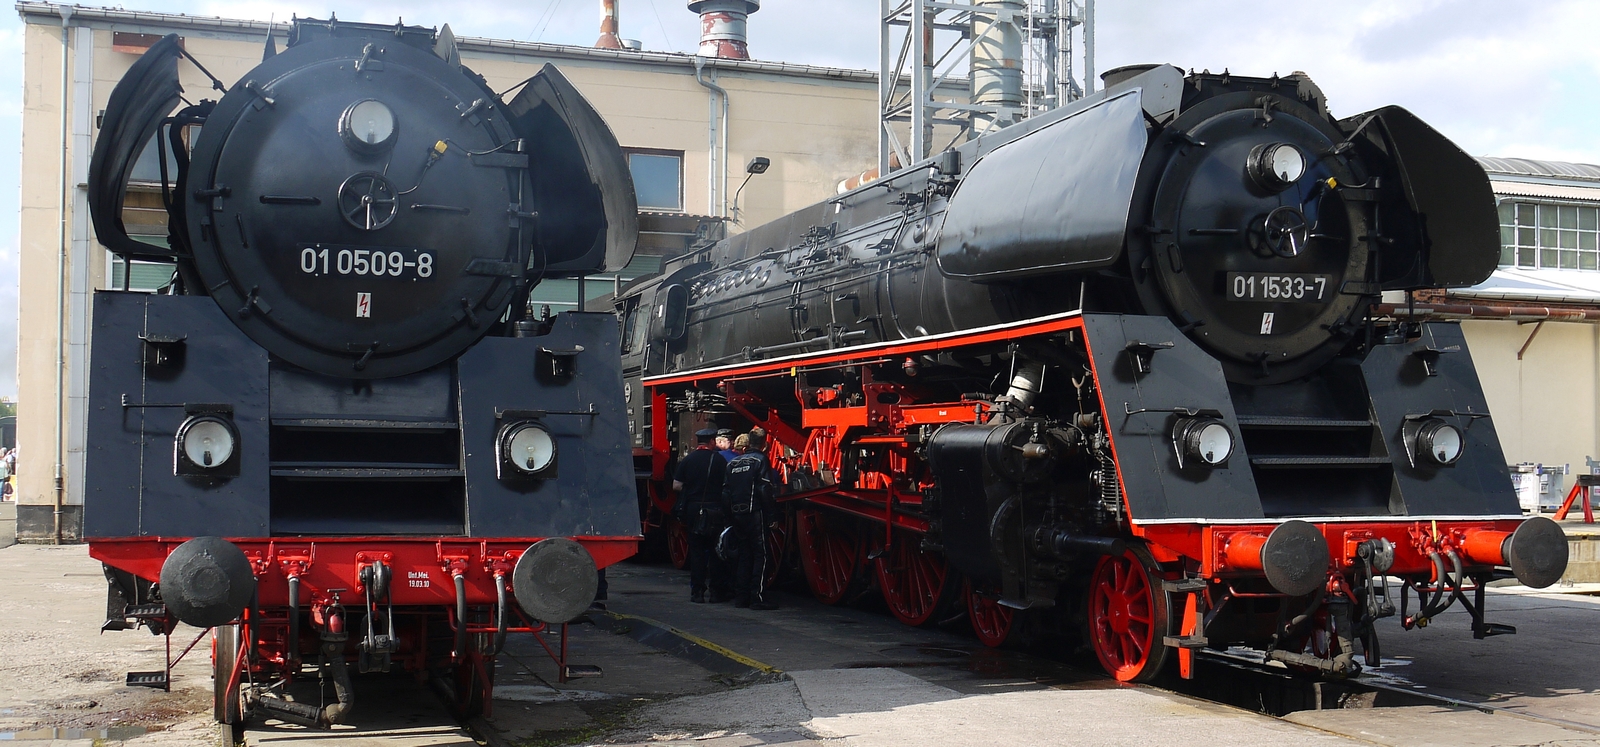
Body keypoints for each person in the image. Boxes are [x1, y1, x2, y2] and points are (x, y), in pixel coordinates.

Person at [721, 430, 780, 609]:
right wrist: (772, 516)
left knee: (744, 555)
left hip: (737, 514)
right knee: (760, 555)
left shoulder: (733, 463)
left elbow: (725, 493)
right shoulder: (760, 461)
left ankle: (741, 597)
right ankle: (757, 597)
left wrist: (728, 516)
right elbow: (764, 489)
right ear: (764, 444)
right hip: (755, 513)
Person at [673, 428, 730, 603]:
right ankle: (715, 592)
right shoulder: (719, 460)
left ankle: (697, 592)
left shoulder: (688, 460)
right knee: (716, 551)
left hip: (693, 509)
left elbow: (676, 485)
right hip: (714, 510)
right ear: (712, 442)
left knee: (697, 552)